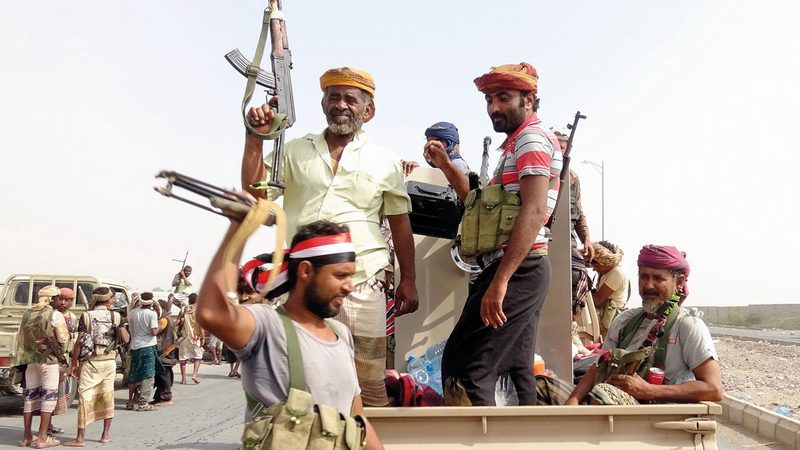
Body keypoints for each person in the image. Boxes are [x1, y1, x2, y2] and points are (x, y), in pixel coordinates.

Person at [241, 67, 419, 406]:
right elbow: (257, 199)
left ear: (368, 111)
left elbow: (400, 225)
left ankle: (363, 432)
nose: (341, 105)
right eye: (333, 97)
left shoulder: (385, 160)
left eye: (350, 99)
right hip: (303, 282)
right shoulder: (293, 150)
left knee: (368, 384)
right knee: (303, 380)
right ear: (323, 104)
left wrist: (409, 280)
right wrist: (254, 139)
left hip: (363, 281)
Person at [428, 62, 563, 406]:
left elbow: (534, 210)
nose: (494, 107)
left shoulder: (531, 139)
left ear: (529, 99)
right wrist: (446, 164)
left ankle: (478, 434)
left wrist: (501, 281)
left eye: (503, 98)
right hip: (522, 268)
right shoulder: (515, 146)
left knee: (466, 367)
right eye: (489, 100)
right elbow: (477, 205)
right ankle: (526, 432)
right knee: (518, 368)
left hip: (518, 269)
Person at [196, 219, 383, 449]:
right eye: (340, 275)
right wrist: (239, 226)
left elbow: (357, 417)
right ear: (305, 271)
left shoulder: (341, 335)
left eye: (350, 276)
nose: (349, 286)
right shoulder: (267, 325)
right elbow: (211, 313)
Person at [537, 245, 723, 405]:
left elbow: (713, 389)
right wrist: (573, 401)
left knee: (604, 393)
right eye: (644, 277)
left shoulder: (688, 326)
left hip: (648, 413)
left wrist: (649, 391)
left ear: (679, 282)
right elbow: (598, 366)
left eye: (658, 279)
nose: (648, 285)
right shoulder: (625, 321)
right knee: (539, 385)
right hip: (604, 402)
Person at [64, 287, 129, 447]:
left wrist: (74, 363)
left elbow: (79, 342)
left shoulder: (86, 316)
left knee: (85, 397)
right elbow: (126, 339)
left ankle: (80, 438)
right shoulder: (116, 316)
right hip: (109, 362)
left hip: (90, 362)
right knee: (108, 396)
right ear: (108, 300)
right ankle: (105, 435)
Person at [14, 285, 68, 448]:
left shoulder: (27, 313)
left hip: (31, 361)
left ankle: (27, 437)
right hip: (49, 361)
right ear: (53, 299)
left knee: (30, 396)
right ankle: (43, 438)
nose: (60, 301)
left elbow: (21, 337)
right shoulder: (54, 314)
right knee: (48, 397)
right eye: (58, 298)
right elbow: (63, 340)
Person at [551, 127, 594, 262]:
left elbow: (578, 212)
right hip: (538, 240)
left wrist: (586, 239)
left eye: (562, 148)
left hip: (567, 241)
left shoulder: (572, 178)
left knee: (578, 270)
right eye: (555, 147)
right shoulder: (537, 171)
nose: (558, 151)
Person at [127, 292, 160, 411]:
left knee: (133, 374)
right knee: (148, 374)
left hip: (135, 346)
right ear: (151, 302)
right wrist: (158, 326)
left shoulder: (133, 312)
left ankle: (130, 401)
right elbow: (154, 332)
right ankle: (143, 402)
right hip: (148, 346)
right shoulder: (152, 314)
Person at [589, 240, 629, 338]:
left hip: (611, 324)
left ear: (606, 263)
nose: (594, 269)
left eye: (597, 266)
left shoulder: (616, 273)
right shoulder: (606, 274)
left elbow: (597, 301)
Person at [51, 287, 77, 430]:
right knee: (49, 393)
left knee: (59, 393)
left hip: (65, 359)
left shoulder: (72, 318)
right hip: (52, 359)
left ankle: (48, 425)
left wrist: (74, 360)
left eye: (67, 300)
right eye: (60, 299)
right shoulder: (51, 315)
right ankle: (46, 427)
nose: (63, 303)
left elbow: (73, 340)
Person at [153, 299, 177, 406]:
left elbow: (155, 331)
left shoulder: (163, 320)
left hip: (164, 351)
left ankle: (166, 397)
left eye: (155, 308)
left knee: (163, 374)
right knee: (161, 374)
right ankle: (159, 397)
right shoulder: (169, 318)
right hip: (168, 349)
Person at [177, 293, 204, 384]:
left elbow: (177, 322)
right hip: (195, 338)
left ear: (189, 300)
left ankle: (183, 379)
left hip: (184, 337)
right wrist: (202, 338)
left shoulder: (184, 309)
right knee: (198, 356)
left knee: (183, 358)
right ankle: (194, 375)